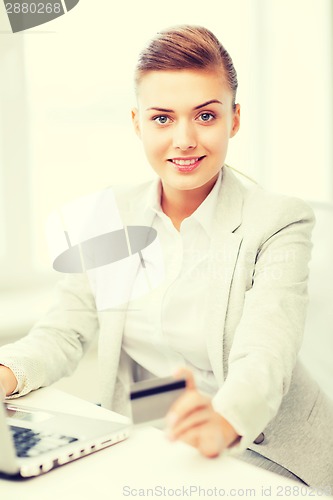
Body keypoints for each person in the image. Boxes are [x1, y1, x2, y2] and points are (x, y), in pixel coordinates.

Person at [0, 25, 332, 489]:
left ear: (234, 119)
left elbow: (265, 354)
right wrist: (6, 373)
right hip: (152, 439)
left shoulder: (277, 221)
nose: (184, 139)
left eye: (205, 116)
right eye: (162, 119)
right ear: (136, 122)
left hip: (265, 446)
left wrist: (225, 418)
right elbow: (65, 330)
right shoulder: (108, 215)